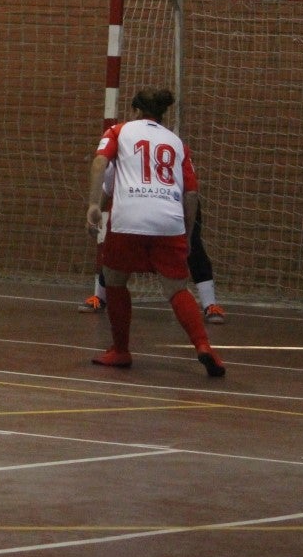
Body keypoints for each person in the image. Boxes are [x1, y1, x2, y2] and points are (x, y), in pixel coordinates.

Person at [84, 88, 225, 376]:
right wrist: (184, 235)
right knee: (176, 288)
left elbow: (100, 162)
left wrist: (92, 205)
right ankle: (203, 346)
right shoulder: (176, 143)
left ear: (135, 110)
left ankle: (121, 350)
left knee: (114, 279)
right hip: (168, 220)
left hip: (129, 217)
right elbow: (192, 194)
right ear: (163, 113)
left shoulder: (118, 131)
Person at [79, 180, 227, 325]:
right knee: (119, 245)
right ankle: (101, 296)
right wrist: (96, 208)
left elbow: (191, 189)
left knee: (193, 246)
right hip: (139, 200)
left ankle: (210, 304)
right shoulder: (126, 156)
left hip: (172, 200)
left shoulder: (179, 155)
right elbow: (107, 181)